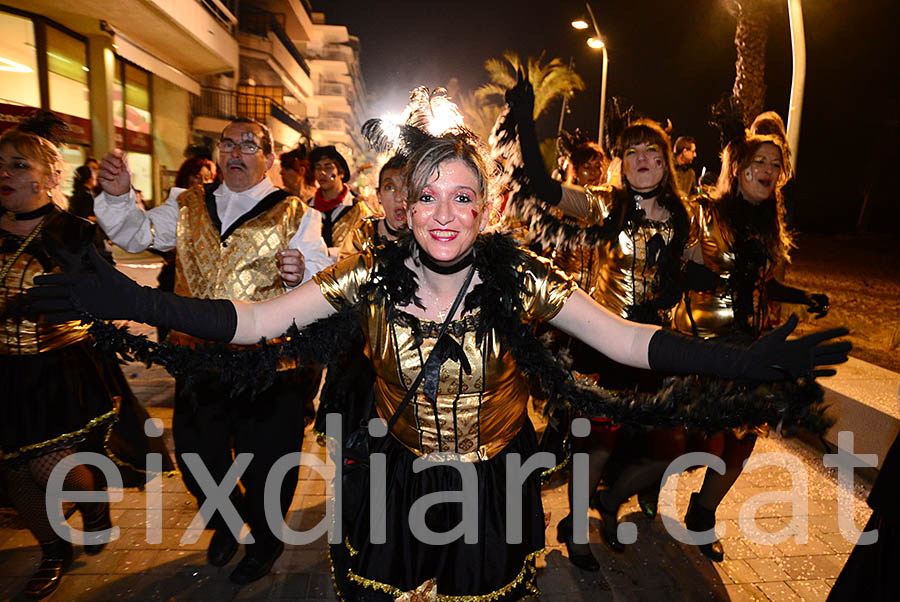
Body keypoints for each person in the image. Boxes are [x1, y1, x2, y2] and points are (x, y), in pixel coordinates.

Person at [29, 126, 849, 600]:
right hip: (396, 472)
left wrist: (742, 363)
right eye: (428, 195)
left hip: (492, 477)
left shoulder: (521, 274)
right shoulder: (362, 273)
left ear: (485, 208)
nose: (444, 213)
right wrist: (135, 302)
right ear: (406, 206)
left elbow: (627, 341)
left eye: (463, 196)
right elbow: (248, 321)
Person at [91, 118, 331, 584]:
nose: (236, 151)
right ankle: (226, 522)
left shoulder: (297, 213)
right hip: (198, 360)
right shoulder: (186, 204)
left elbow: (319, 273)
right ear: (219, 153)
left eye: (249, 144)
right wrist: (120, 196)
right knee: (199, 457)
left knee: (269, 462)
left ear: (268, 157)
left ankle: (264, 541)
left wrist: (299, 269)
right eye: (228, 143)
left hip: (269, 363)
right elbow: (136, 234)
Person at [503, 69, 695, 565]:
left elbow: (692, 272)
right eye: (631, 152)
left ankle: (608, 501)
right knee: (599, 442)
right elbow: (544, 186)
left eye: (652, 152)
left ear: (665, 162)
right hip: (605, 343)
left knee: (672, 443)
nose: (642, 161)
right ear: (620, 164)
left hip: (654, 346)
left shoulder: (682, 216)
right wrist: (526, 120)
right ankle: (577, 530)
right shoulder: (603, 206)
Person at [0, 116, 172, 599]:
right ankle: (54, 551)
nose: (5, 174)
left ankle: (93, 507)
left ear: (51, 177)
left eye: (19, 164)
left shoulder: (72, 232)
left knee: (51, 467)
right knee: (15, 473)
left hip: (57, 369)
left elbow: (107, 293)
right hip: (5, 372)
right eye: (0, 164)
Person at [672, 131, 829, 561]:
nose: (768, 171)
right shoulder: (705, 213)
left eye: (775, 165)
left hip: (752, 349)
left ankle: (701, 517)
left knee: (741, 443)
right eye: (760, 161)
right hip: (704, 346)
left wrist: (802, 297)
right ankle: (644, 478)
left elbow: (765, 284)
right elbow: (673, 267)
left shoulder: (768, 225)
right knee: (704, 444)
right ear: (738, 167)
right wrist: (689, 276)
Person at [308, 145, 374, 258]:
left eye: (328, 167)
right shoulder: (307, 209)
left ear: (341, 172)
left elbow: (365, 250)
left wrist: (327, 254)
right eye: (318, 168)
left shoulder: (359, 210)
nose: (322, 173)